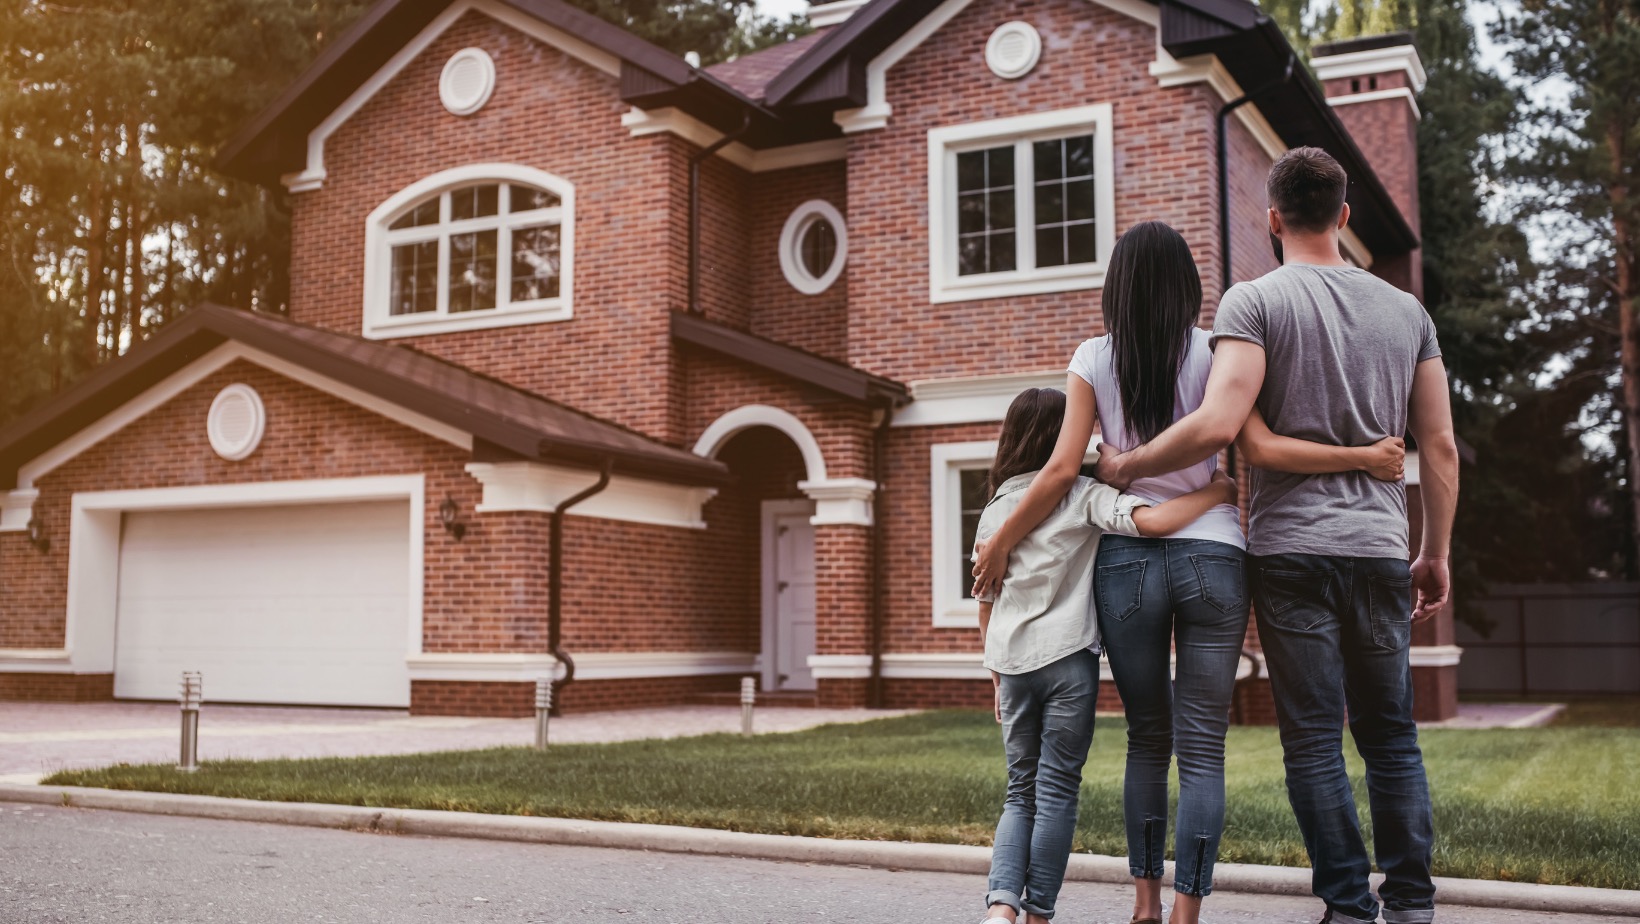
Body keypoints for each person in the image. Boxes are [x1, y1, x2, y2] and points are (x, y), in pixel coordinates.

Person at [971, 220, 1406, 924]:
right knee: (1203, 749)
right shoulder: (1217, 350)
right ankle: (1184, 914)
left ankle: (1143, 905)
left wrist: (999, 544)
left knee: (1148, 738)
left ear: (1116, 287)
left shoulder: (1092, 357)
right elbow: (1251, 440)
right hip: (1214, 555)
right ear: (1188, 286)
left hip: (1129, 563)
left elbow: (1057, 472)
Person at [1091, 148, 1460, 924]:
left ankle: (1348, 910)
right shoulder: (1408, 314)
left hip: (1291, 550)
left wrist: (1124, 467)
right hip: (1380, 548)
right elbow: (1443, 449)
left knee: (1315, 740)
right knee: (1392, 736)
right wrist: (1435, 552)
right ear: (1345, 215)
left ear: (1272, 219)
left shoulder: (1253, 303)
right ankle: (1414, 908)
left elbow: (1222, 427)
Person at [973, 385, 1237, 924]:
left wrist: (995, 672)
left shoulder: (994, 511)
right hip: (1068, 663)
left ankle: (1001, 908)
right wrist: (1218, 492)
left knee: (1019, 790)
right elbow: (1156, 522)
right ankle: (1038, 914)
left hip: (1013, 665)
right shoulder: (1082, 497)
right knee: (1057, 790)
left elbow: (986, 596)